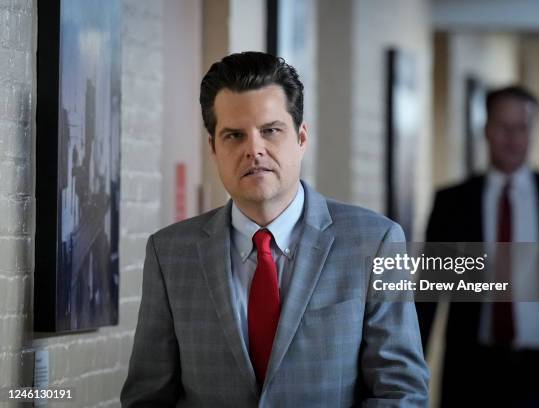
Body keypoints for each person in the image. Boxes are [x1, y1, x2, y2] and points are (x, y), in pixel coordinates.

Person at [121, 51, 429, 407]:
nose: (254, 150)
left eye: (270, 131)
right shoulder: (170, 254)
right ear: (213, 148)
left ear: (300, 138)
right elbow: (147, 398)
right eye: (234, 135)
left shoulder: (375, 242)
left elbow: (401, 393)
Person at [418, 85, 539, 407]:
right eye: (503, 127)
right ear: (487, 130)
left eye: (521, 128)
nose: (512, 138)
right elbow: (429, 296)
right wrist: (407, 370)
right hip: (473, 366)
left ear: (532, 131)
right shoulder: (453, 202)